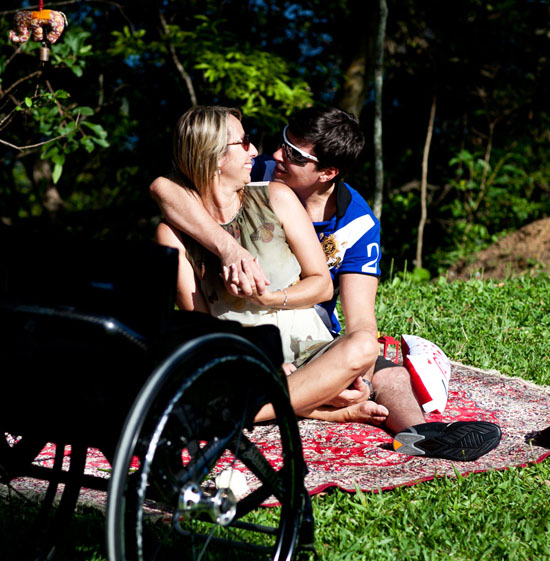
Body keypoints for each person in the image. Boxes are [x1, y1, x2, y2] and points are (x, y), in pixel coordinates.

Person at [152, 105, 501, 460]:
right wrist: (228, 250)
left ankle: (421, 435)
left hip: (312, 338)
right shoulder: (261, 173)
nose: (273, 154)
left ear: (327, 172)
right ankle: (309, 404)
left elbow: (356, 316)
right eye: (281, 142)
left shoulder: (354, 224)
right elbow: (165, 187)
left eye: (294, 154)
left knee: (375, 360)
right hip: (247, 353)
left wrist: (356, 375)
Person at [155, 105, 335, 367]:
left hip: (312, 349)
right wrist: (260, 362)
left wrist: (270, 299)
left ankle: (305, 388)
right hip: (242, 358)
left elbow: (323, 285)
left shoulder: (276, 197)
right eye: (245, 142)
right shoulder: (172, 235)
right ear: (215, 155)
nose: (255, 152)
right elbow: (201, 324)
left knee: (361, 347)